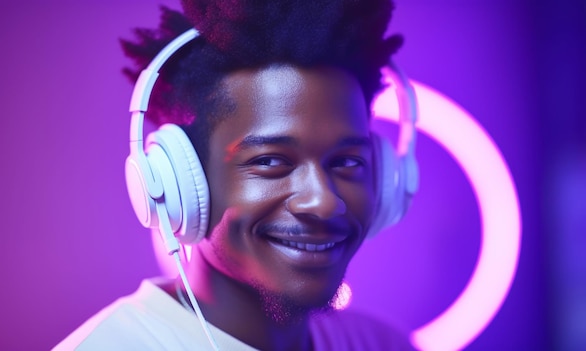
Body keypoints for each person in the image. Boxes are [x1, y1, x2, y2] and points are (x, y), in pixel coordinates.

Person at [55, 0, 415, 350]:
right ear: (176, 182)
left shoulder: (383, 344)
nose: (323, 202)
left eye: (348, 162)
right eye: (272, 162)